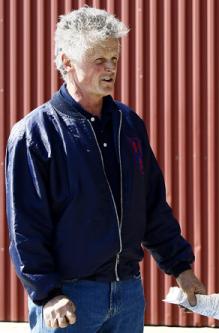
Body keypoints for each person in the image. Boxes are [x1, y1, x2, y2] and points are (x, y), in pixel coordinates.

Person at [5, 7, 206, 332]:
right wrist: (48, 294)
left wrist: (180, 267)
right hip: (68, 301)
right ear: (66, 61)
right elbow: (26, 226)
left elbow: (151, 205)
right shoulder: (33, 135)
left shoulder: (128, 125)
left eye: (114, 58)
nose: (110, 67)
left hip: (127, 295)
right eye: (99, 59)